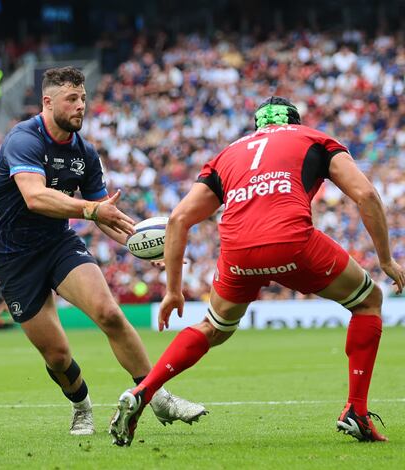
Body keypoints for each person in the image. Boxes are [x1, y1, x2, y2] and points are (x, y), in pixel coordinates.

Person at [109, 96, 405, 446]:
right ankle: (355, 410)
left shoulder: (227, 154)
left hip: (237, 251)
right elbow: (366, 195)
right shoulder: (314, 138)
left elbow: (178, 218)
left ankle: (144, 390)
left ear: (256, 128)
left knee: (213, 327)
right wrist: (386, 260)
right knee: (368, 301)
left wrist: (173, 290)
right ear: (294, 120)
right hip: (292, 240)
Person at [0, 66, 207, 436]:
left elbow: (105, 212)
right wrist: (91, 210)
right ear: (48, 101)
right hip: (14, 258)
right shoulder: (23, 139)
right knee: (56, 355)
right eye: (71, 99)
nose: (80, 106)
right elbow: (35, 196)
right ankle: (81, 407)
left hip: (58, 244)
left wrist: (140, 242)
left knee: (108, 313)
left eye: (84, 98)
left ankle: (158, 396)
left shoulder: (84, 152)